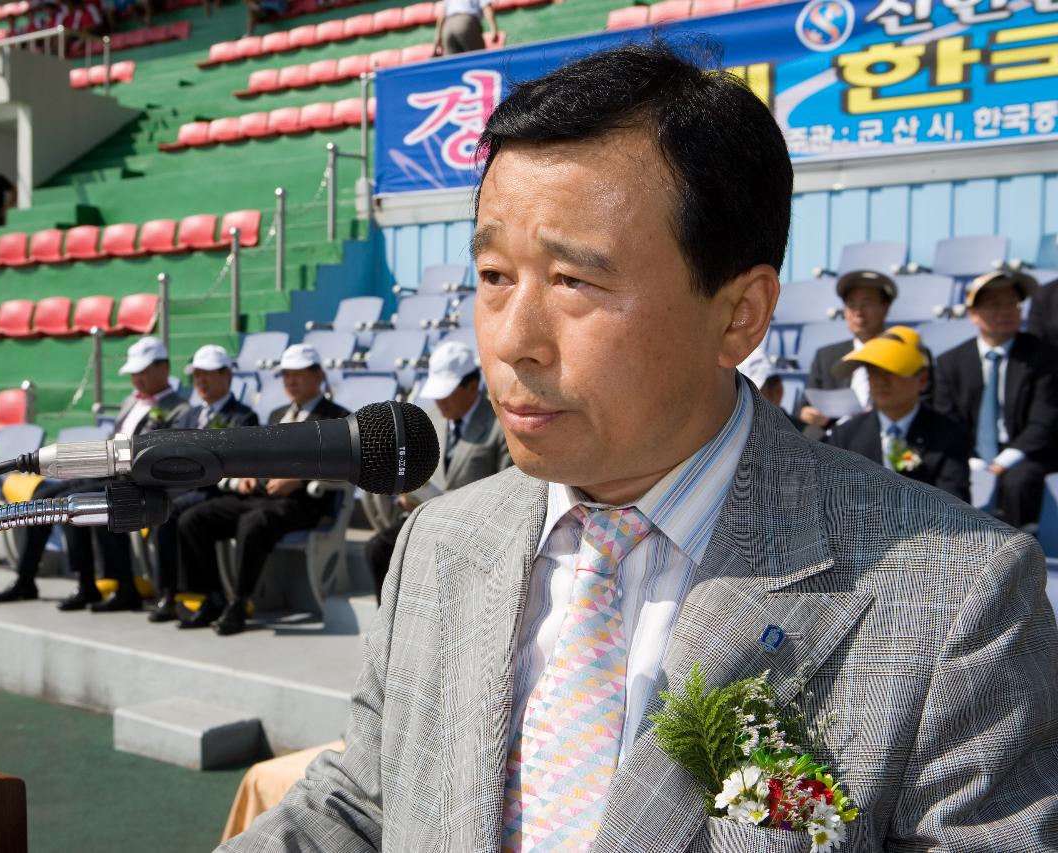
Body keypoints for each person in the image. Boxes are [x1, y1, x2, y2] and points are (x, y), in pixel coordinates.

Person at [220, 43, 1057, 851]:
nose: (514, 341)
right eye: (495, 276)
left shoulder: (957, 600)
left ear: (740, 314)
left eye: (574, 281)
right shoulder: (441, 543)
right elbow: (369, 802)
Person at [0, 336, 190, 608]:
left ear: (163, 368)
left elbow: (159, 455)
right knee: (43, 499)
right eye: (134, 373)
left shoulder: (179, 409)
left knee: (78, 503)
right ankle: (30, 577)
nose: (136, 379)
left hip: (135, 479)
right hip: (108, 472)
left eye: (142, 372)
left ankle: (116, 585)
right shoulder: (131, 401)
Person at [175, 344, 349, 635]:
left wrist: (300, 480)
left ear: (318, 375)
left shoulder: (337, 417)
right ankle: (212, 597)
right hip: (263, 495)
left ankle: (240, 603)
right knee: (193, 519)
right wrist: (247, 476)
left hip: (302, 502)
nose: (290, 381)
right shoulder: (277, 413)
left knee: (252, 523)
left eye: (298, 374)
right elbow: (260, 457)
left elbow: (345, 465)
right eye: (285, 376)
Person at [364, 340, 512, 601]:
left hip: (474, 528)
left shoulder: (499, 424)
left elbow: (508, 488)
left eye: (447, 392)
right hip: (427, 518)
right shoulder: (430, 418)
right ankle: (389, 626)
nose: (440, 400)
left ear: (472, 386)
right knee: (380, 548)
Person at [934, 270, 1058, 528]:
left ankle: (1019, 551)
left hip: (1026, 454)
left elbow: (1044, 419)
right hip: (972, 454)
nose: (1006, 311)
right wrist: (970, 458)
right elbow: (947, 418)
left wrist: (1003, 461)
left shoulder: (1043, 356)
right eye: (994, 304)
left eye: (1012, 303)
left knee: (1020, 480)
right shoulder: (950, 362)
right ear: (973, 313)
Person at [147, 345, 259, 623]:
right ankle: (171, 591)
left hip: (218, 491)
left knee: (175, 512)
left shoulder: (244, 416)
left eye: (207, 374)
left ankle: (188, 593)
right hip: (187, 487)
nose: (201, 381)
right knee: (157, 504)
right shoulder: (189, 415)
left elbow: (239, 463)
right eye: (197, 375)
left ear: (227, 376)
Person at [827, 329, 971, 501]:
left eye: (891, 371)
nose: (881, 381)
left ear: (922, 380)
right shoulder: (844, 437)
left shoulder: (950, 436)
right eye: (873, 371)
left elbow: (954, 506)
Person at [796, 270, 894, 439]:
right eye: (851, 305)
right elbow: (805, 405)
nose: (858, 312)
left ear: (885, 308)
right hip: (833, 438)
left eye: (867, 303)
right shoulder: (826, 356)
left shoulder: (902, 353)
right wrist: (807, 413)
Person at [433, 0, 497, 56]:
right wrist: (493, 29)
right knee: (477, 61)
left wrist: (438, 37)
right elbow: (486, 7)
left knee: (454, 66)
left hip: (447, 27)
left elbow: (442, 15)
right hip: (465, 22)